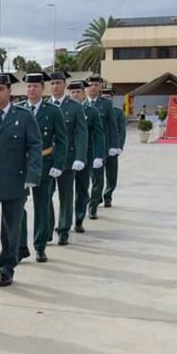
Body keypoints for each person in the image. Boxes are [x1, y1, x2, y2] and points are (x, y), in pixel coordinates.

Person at [0, 73, 42, 287]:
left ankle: (7, 268)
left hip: (15, 181)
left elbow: (34, 146)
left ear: (9, 91)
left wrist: (32, 174)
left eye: (1, 89)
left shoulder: (23, 116)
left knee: (11, 229)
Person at [18, 72, 68, 263]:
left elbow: (62, 139)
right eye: (29, 86)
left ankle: (40, 246)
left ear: (42, 88)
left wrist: (58, 163)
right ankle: (20, 245)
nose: (32, 89)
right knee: (17, 207)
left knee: (42, 206)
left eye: (36, 86)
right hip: (21, 165)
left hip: (44, 163)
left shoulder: (53, 111)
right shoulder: (19, 110)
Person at [47, 72, 88, 246]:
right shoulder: (44, 106)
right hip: (47, 160)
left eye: (58, 83)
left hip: (68, 159)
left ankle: (63, 229)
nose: (55, 86)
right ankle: (46, 229)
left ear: (64, 85)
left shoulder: (75, 107)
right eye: (52, 83)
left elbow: (81, 133)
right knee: (45, 197)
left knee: (66, 196)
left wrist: (80, 157)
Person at [68, 81, 105, 233]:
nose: (75, 94)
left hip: (86, 155)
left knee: (82, 189)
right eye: (72, 92)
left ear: (84, 94)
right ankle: (65, 220)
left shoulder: (91, 112)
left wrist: (98, 155)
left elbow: (99, 135)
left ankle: (79, 219)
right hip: (68, 155)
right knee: (66, 192)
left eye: (78, 92)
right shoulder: (62, 110)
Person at [85, 76, 119, 220]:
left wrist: (114, 146)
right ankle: (86, 200)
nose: (93, 87)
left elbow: (112, 127)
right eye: (90, 85)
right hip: (83, 148)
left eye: (96, 85)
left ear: (100, 87)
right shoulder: (80, 103)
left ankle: (93, 207)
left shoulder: (106, 104)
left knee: (98, 180)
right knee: (83, 180)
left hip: (100, 148)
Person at [102, 88, 127, 208]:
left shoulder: (117, 112)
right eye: (104, 96)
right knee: (95, 175)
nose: (106, 98)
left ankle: (107, 196)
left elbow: (122, 131)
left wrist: (119, 146)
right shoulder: (95, 110)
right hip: (99, 147)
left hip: (112, 148)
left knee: (112, 175)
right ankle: (96, 197)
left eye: (108, 96)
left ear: (112, 98)